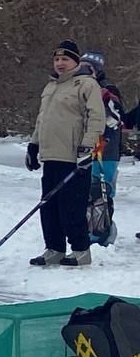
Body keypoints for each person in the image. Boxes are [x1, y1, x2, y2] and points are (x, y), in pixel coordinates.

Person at [25, 39, 105, 267]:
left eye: (65, 59)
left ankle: (80, 249)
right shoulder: (51, 86)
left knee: (72, 207)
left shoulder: (87, 85)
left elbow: (96, 118)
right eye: (57, 59)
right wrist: (34, 144)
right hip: (51, 155)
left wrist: (87, 147)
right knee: (48, 206)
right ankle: (54, 248)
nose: (60, 63)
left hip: (74, 157)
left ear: (76, 61)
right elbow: (43, 118)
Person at [80, 51, 122, 217]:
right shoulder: (79, 87)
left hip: (105, 149)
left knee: (101, 190)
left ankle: (101, 230)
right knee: (84, 190)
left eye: (87, 68)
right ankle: (86, 230)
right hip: (84, 149)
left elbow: (117, 118)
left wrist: (103, 137)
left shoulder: (106, 89)